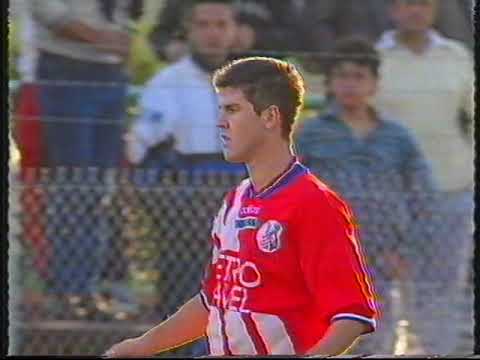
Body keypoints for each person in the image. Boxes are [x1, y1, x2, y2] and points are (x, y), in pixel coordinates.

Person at [104, 57, 378, 357]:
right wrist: (141, 347)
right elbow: (213, 300)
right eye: (220, 110)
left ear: (270, 117)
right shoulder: (235, 200)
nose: (220, 122)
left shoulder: (314, 203)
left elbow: (351, 315)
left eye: (232, 110)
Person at [295, 37, 438, 355]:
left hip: (382, 257)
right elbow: (287, 192)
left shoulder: (397, 137)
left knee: (379, 337)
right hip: (325, 256)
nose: (351, 85)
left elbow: (423, 195)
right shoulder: (311, 133)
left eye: (359, 77)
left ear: (374, 83)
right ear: (330, 83)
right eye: (343, 76)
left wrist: (407, 251)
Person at [27, 0, 143, 319]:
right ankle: (66, 291)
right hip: (66, 67)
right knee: (74, 187)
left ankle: (88, 291)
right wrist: (101, 38)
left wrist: (124, 37)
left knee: (101, 192)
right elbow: (46, 11)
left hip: (112, 73)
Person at [374, 0, 474, 354]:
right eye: (405, 3)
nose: (414, 10)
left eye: (423, 3)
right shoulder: (375, 58)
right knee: (379, 288)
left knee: (442, 288)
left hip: (450, 189)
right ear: (392, 9)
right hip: (389, 197)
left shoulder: (457, 56)